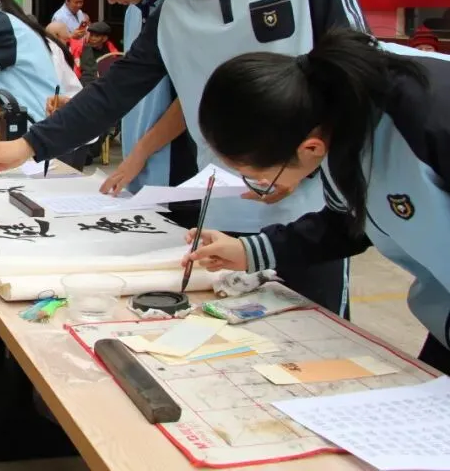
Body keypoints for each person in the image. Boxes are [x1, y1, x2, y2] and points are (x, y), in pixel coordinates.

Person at [0, 0, 367, 317]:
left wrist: (304, 168)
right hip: (222, 221)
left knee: (319, 339)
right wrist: (28, 146)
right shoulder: (173, 10)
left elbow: (360, 76)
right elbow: (114, 91)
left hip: (312, 215)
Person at [187, 29, 450, 373]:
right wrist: (249, 251)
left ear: (308, 149)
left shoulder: (426, 123)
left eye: (259, 177)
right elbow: (350, 221)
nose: (262, 188)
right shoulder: (337, 115)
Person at [59, 0, 197, 197]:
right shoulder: (135, 10)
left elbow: (192, 96)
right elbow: (126, 87)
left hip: (177, 168)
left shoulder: (183, 4)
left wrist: (142, 151)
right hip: (138, 166)